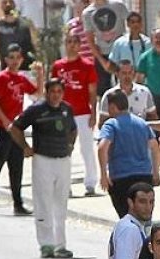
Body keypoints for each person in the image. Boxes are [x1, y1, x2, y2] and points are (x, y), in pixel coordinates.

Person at [9, 78, 79, 259]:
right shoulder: (36, 110)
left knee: (61, 203)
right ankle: (46, 244)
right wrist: (25, 147)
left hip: (63, 159)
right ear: (46, 92)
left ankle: (60, 244)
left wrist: (70, 145)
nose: (56, 95)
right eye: (52, 91)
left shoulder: (66, 109)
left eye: (59, 92)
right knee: (43, 201)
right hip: (43, 159)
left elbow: (73, 129)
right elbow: (15, 127)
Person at [0, 45, 40, 217]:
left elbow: (37, 93)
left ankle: (18, 203)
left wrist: (41, 74)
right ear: (6, 60)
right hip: (1, 127)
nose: (15, 61)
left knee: (17, 166)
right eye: (12, 57)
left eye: (18, 57)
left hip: (17, 129)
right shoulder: (1, 78)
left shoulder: (22, 79)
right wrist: (5, 120)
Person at [97, 89, 160, 218]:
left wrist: (104, 174)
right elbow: (155, 147)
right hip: (144, 176)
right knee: (144, 217)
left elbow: (102, 147)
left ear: (113, 107)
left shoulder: (111, 124)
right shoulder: (142, 123)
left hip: (121, 178)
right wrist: (156, 172)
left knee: (126, 218)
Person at [51, 33, 101, 197]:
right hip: (63, 113)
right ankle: (66, 185)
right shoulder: (58, 66)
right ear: (65, 44)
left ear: (80, 45)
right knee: (65, 150)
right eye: (69, 42)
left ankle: (91, 183)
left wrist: (94, 112)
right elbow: (52, 91)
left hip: (82, 113)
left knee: (86, 148)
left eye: (75, 42)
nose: (72, 45)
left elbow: (92, 92)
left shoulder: (87, 66)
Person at [83, 0, 131, 97]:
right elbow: (90, 40)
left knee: (126, 87)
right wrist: (102, 61)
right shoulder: (87, 13)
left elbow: (131, 25)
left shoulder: (119, 5)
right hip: (102, 54)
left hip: (121, 53)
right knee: (103, 91)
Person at [96, 60, 157, 127]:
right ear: (117, 74)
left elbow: (153, 116)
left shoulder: (144, 92)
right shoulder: (109, 95)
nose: (127, 76)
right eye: (124, 73)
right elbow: (102, 123)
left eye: (130, 73)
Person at [0, 0, 39, 68]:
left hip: (27, 70)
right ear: (1, 5)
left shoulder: (27, 24)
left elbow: (36, 45)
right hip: (7, 72)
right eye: (5, 2)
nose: (8, 4)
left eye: (11, 1)